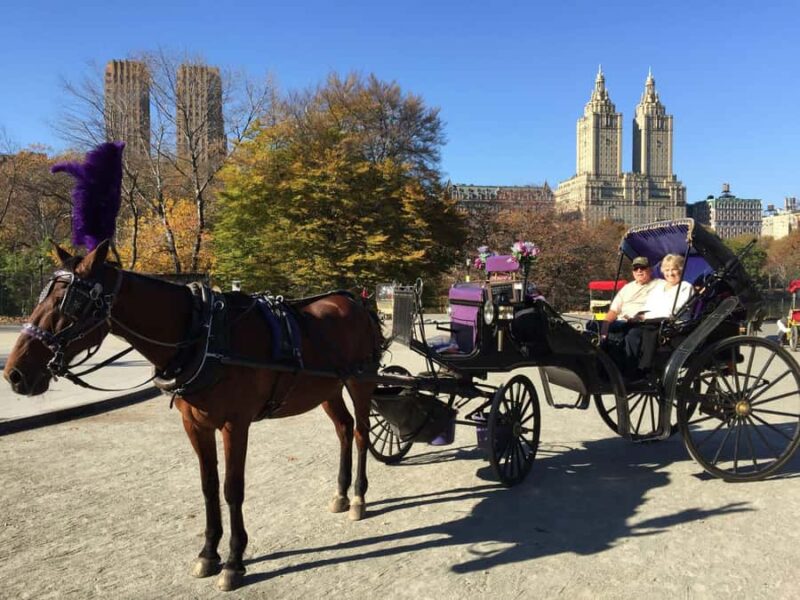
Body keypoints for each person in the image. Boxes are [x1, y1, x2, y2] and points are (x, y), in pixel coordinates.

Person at [624, 253, 694, 376]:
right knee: (629, 334)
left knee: (642, 333)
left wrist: (647, 317)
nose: (670, 273)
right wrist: (637, 316)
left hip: (673, 326)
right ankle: (628, 368)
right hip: (653, 322)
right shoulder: (659, 287)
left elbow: (675, 310)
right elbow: (648, 306)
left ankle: (644, 369)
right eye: (667, 270)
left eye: (674, 269)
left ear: (680, 270)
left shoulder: (685, 287)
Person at [599, 256, 660, 339]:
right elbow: (613, 310)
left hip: (641, 324)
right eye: (636, 268)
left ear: (650, 270)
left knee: (631, 335)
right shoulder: (627, 288)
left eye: (643, 267)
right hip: (621, 322)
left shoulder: (660, 285)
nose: (639, 270)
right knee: (593, 326)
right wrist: (605, 327)